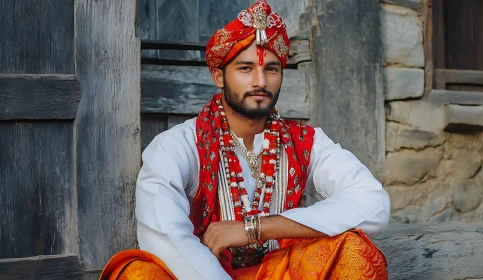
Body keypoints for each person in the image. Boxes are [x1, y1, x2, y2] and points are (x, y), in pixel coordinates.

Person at [101, 0, 390, 279]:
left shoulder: (306, 142)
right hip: (204, 273)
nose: (260, 82)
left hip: (279, 272)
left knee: (354, 251)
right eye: (245, 68)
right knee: (137, 274)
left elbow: (373, 204)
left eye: (271, 69)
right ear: (218, 75)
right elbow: (166, 237)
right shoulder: (178, 146)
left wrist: (256, 228)